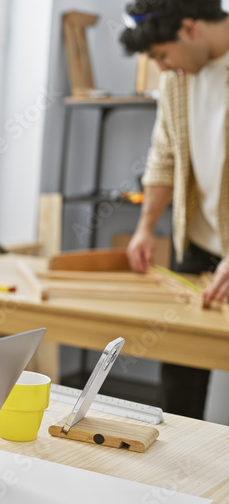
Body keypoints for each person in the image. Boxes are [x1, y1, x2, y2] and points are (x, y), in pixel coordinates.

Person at [120, 0, 229, 418]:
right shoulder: (177, 82)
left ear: (190, 28)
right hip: (198, 245)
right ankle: (179, 476)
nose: (162, 67)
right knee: (182, 367)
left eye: (163, 55)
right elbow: (163, 155)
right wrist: (145, 227)